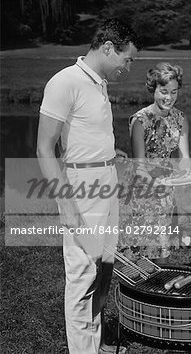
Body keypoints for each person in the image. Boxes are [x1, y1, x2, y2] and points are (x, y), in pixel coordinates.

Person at [36, 19, 140, 354]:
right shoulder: (65, 82)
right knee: (82, 276)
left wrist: (110, 154)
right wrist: (65, 205)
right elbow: (44, 148)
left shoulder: (98, 83)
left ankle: (96, 343)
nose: (128, 66)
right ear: (108, 48)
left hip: (106, 182)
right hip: (81, 190)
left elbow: (83, 134)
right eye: (127, 58)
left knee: (104, 267)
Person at [122, 62, 190, 261]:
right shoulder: (140, 121)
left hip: (166, 193)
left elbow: (184, 158)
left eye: (174, 92)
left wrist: (184, 174)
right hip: (140, 193)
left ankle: (160, 287)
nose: (169, 97)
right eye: (164, 91)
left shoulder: (180, 119)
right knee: (139, 255)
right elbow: (139, 168)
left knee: (162, 253)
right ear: (153, 89)